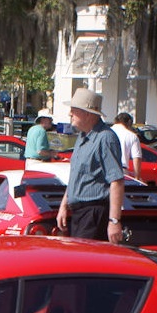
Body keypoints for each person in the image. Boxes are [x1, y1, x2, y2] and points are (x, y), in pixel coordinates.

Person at [55, 87, 124, 243]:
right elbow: (76, 176)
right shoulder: (82, 137)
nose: (70, 114)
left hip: (94, 213)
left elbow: (116, 181)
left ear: (87, 113)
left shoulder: (105, 138)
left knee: (86, 263)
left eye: (74, 110)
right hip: (79, 213)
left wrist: (114, 221)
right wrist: (64, 206)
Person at [112, 112, 142, 180]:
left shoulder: (105, 132)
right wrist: (137, 177)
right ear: (129, 123)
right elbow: (136, 158)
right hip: (121, 171)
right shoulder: (132, 136)